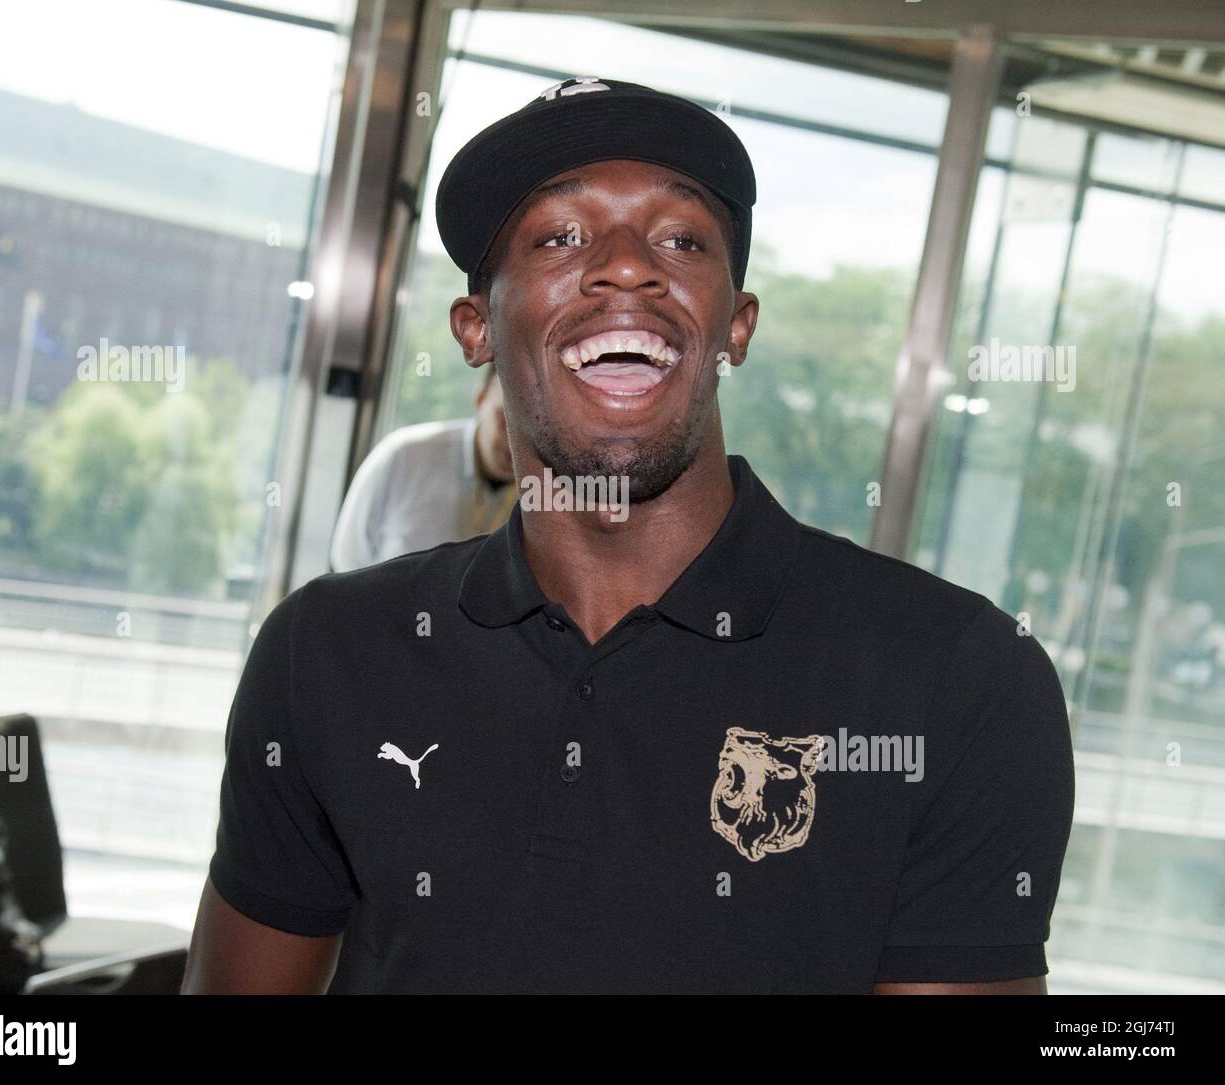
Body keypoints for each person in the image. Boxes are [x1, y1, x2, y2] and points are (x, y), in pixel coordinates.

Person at [183, 77, 1074, 994]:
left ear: (736, 325)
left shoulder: (960, 679)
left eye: (680, 240)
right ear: (476, 327)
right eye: (560, 236)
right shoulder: (326, 652)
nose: (622, 266)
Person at [328, 364, 515, 572]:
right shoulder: (403, 456)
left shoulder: (550, 493)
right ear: (480, 401)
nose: (515, 440)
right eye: (505, 417)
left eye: (527, 427)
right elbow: (348, 562)